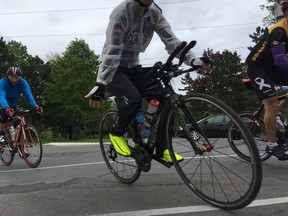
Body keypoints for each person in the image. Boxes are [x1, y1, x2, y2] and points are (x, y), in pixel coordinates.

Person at [85, 0, 211, 162]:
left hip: (134, 67)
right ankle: (116, 133)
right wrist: (101, 82)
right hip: (114, 69)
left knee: (165, 98)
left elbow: (171, 41)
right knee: (134, 99)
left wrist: (194, 61)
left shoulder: (154, 12)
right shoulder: (122, 12)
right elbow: (112, 49)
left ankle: (162, 148)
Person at [245, 0, 288, 160]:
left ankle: (277, 115)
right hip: (257, 67)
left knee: (275, 107)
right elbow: (280, 60)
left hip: (271, 67)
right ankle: (272, 144)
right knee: (270, 101)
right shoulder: (279, 30)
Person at [0, 66, 42, 145]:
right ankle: (1, 135)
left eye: (17, 78)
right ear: (8, 76)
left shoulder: (22, 82)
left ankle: (19, 146)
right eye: (12, 78)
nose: (14, 80)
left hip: (13, 105)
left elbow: (28, 93)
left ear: (20, 77)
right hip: (2, 103)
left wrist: (35, 105)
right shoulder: (3, 82)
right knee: (4, 116)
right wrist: (6, 108)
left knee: (19, 123)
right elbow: (1, 95)